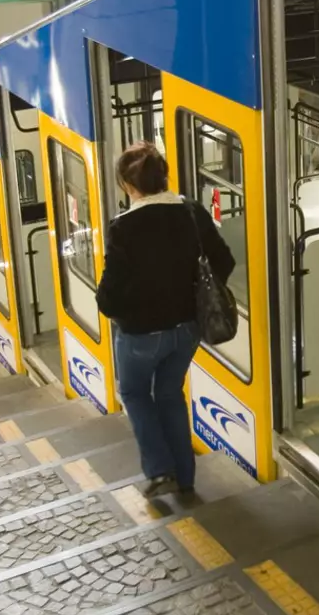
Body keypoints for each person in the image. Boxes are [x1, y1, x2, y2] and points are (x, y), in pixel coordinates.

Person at [95, 142, 236, 499]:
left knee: (134, 392)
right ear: (164, 176)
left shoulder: (123, 228)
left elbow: (109, 296)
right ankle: (185, 476)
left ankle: (160, 471)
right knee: (170, 393)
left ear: (128, 185)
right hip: (188, 330)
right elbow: (224, 260)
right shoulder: (191, 211)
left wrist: (129, 307)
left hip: (141, 336)